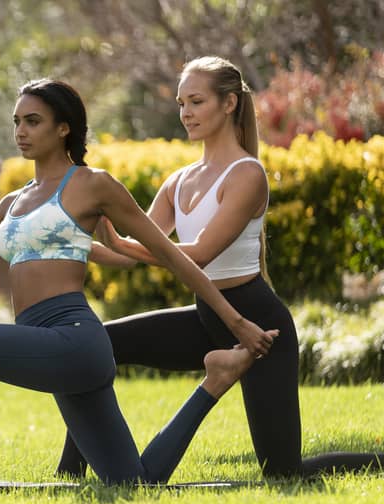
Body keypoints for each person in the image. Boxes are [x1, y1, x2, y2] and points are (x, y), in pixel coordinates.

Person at [0, 77, 279, 491]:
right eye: (17, 122)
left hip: (74, 341)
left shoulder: (92, 185)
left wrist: (236, 322)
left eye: (33, 121)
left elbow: (174, 257)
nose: (20, 132)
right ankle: (215, 382)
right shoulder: (10, 203)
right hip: (44, 342)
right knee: (131, 484)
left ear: (63, 127)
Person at [56, 56, 384, 480]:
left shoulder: (247, 174)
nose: (185, 113)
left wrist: (120, 241)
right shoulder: (179, 180)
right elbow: (129, 255)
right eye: (181, 103)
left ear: (229, 104)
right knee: (97, 346)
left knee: (283, 471)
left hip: (259, 326)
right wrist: (71, 249)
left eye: (196, 101)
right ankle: (70, 471)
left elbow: (199, 253)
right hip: (209, 317)